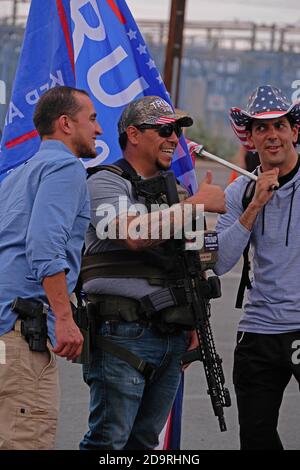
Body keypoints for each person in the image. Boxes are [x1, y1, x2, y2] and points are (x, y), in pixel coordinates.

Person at [79, 95, 226, 450]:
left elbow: (198, 259)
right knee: (108, 442)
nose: (174, 138)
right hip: (122, 333)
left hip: (172, 333)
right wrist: (196, 204)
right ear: (133, 134)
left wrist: (194, 323)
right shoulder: (105, 182)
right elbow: (132, 234)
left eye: (175, 130)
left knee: (145, 444)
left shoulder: (175, 190)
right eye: (164, 130)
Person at [0, 86, 102, 450]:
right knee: (25, 440)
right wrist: (63, 316)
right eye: (91, 119)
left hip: (3, 335)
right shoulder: (64, 166)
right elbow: (45, 245)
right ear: (65, 124)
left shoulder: (18, 174)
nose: (99, 130)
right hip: (20, 334)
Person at [214, 84, 300, 450]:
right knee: (255, 437)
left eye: (279, 125)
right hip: (259, 329)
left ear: (294, 131)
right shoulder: (241, 192)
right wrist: (254, 208)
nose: (272, 135)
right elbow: (219, 262)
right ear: (249, 137)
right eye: (261, 128)